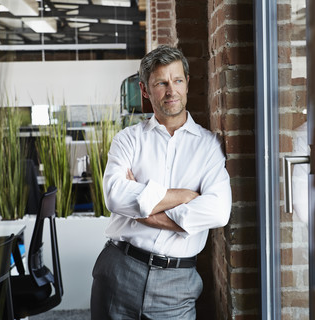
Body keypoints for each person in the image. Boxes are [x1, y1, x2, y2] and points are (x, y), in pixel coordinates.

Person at [91, 45, 232, 319]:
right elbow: (115, 197)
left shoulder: (209, 146)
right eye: (161, 83)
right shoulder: (128, 140)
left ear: (187, 83)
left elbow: (218, 211)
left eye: (177, 80)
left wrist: (145, 213)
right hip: (119, 270)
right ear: (145, 89)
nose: (171, 91)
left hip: (176, 284)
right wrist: (184, 196)